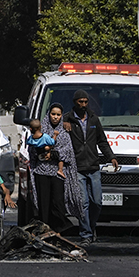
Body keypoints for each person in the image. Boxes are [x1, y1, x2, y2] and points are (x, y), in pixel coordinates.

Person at [65, 89, 118, 246]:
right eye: (80, 102)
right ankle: (86, 235)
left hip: (93, 166)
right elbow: (51, 125)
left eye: (85, 102)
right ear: (75, 102)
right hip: (77, 167)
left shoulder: (93, 119)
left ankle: (91, 226)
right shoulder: (67, 119)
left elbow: (102, 141)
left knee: (97, 201)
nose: (83, 105)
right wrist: (62, 124)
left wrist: (112, 157)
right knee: (83, 203)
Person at [30, 103, 80, 233]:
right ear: (49, 115)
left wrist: (55, 154)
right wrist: (42, 152)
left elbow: (68, 152)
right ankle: (44, 230)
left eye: (58, 115)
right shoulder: (40, 130)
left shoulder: (64, 132)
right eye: (53, 114)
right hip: (41, 171)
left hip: (58, 173)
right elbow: (32, 150)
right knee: (43, 203)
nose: (55, 117)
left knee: (58, 203)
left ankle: (59, 230)